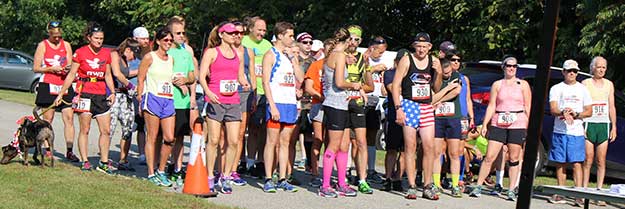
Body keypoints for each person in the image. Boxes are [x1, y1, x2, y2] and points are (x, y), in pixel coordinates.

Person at [53, 22, 116, 173]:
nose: (99, 41)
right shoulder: (80, 53)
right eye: (96, 38)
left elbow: (108, 74)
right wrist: (62, 93)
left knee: (106, 130)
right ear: (89, 38)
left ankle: (104, 162)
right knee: (85, 129)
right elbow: (72, 74)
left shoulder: (106, 53)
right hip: (85, 93)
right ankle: (85, 160)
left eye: (101, 38)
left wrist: (112, 92)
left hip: (101, 93)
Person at [468, 57, 531, 201]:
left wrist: (527, 126)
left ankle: (512, 188)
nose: (511, 68)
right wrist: (485, 124)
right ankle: (478, 185)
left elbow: (528, 106)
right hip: (499, 121)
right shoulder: (497, 84)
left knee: (514, 158)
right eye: (509, 66)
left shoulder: (523, 85)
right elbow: (491, 105)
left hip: (517, 122)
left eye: (514, 66)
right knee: (490, 155)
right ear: (503, 67)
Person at [199, 22, 251, 194]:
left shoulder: (239, 53)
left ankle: (226, 176)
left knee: (234, 140)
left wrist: (245, 82)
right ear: (222, 35)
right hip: (215, 100)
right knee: (213, 140)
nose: (234, 35)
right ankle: (209, 177)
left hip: (234, 100)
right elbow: (201, 75)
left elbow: (240, 75)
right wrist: (208, 93)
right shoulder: (212, 52)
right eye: (231, 33)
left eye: (236, 33)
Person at [391, 32, 442, 200]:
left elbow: (436, 87)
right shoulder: (407, 60)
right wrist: (398, 108)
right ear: (414, 46)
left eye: (424, 46)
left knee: (429, 147)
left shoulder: (433, 61)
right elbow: (396, 84)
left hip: (426, 106)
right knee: (410, 146)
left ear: (430, 47)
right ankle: (412, 185)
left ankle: (427, 185)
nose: (421, 49)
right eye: (418, 46)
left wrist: (439, 72)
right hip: (409, 105)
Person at [260, 22, 304, 193]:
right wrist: (272, 106)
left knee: (286, 142)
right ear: (280, 36)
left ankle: (283, 177)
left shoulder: (290, 55)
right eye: (290, 36)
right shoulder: (270, 54)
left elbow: (301, 77)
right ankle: (268, 178)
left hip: (290, 103)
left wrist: (293, 59)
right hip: (276, 102)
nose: (292, 39)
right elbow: (265, 81)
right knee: (272, 141)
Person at [547, 59, 593, 206]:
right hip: (560, 131)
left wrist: (576, 114)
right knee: (560, 163)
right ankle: (560, 192)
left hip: (576, 132)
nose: (572, 73)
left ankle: (578, 194)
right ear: (563, 72)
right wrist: (563, 112)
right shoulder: (556, 88)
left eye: (574, 71)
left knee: (577, 163)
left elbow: (589, 111)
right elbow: (553, 108)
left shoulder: (583, 89)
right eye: (569, 71)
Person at [318, 27, 357, 198]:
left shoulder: (333, 54)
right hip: (335, 104)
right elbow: (340, 82)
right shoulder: (339, 55)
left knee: (343, 145)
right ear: (348, 41)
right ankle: (325, 185)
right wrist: (353, 85)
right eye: (353, 41)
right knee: (333, 145)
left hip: (342, 104)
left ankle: (341, 183)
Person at [32, 21, 79, 162]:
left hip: (64, 84)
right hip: (48, 84)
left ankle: (69, 150)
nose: (57, 39)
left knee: (69, 118)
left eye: (59, 36)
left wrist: (67, 69)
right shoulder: (43, 45)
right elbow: (36, 67)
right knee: (48, 119)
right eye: (54, 36)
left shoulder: (66, 45)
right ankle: (47, 149)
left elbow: (71, 65)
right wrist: (51, 68)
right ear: (49, 34)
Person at [136, 28, 177, 187]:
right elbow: (140, 79)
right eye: (165, 40)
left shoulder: (171, 59)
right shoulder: (149, 57)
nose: (168, 43)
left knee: (169, 137)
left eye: (170, 41)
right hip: (152, 97)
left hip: (168, 99)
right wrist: (140, 98)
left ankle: (161, 170)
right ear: (158, 41)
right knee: (152, 136)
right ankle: (151, 172)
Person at [165, 17, 196, 186]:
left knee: (179, 138)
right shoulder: (166, 53)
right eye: (178, 33)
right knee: (166, 137)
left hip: (182, 103)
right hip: (168, 100)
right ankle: (161, 166)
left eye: (183, 33)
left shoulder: (186, 52)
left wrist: (185, 80)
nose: (182, 36)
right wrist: (177, 81)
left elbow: (192, 75)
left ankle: (177, 168)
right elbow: (163, 73)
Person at [344, 25, 375, 194]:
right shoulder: (339, 56)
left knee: (361, 142)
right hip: (341, 103)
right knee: (342, 144)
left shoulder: (362, 58)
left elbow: (370, 87)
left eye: (357, 39)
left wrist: (368, 68)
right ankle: (341, 177)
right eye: (351, 38)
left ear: (360, 41)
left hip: (357, 103)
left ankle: (362, 179)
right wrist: (351, 86)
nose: (353, 42)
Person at [582, 56, 616, 206]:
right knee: (588, 159)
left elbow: (612, 106)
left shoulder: (609, 84)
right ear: (593, 68)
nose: (601, 70)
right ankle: (583, 191)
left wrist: (614, 126)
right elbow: (581, 104)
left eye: (603, 67)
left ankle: (599, 192)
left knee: (601, 160)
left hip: (603, 124)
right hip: (589, 123)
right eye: (598, 67)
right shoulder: (586, 83)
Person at [241, 16, 273, 178]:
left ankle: (258, 162)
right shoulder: (243, 41)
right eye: (259, 29)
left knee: (261, 129)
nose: (262, 33)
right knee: (244, 129)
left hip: (264, 91)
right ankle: (245, 161)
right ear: (250, 28)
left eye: (264, 30)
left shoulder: (268, 45)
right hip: (247, 91)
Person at [303, 38, 333, 187]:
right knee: (318, 139)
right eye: (327, 50)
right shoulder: (316, 65)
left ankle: (328, 175)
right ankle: (314, 173)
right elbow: (308, 87)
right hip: (319, 105)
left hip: (335, 106)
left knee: (331, 142)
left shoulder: (340, 66)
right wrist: (321, 97)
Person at [363, 36, 392, 185]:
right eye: (379, 51)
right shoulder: (364, 59)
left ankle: (371, 170)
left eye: (383, 51)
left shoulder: (384, 63)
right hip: (363, 100)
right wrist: (373, 68)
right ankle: (353, 169)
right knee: (358, 138)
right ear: (372, 47)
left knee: (372, 137)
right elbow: (358, 77)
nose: (381, 54)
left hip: (376, 102)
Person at [109, 38, 140, 171]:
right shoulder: (114, 55)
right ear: (128, 50)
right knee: (109, 128)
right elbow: (117, 74)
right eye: (134, 54)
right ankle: (104, 159)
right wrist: (132, 86)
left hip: (125, 96)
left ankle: (123, 159)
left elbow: (126, 74)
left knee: (128, 128)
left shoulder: (125, 60)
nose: (133, 58)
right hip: (114, 94)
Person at [382, 49, 409, 192]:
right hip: (393, 115)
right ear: (397, 61)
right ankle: (387, 178)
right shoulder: (390, 73)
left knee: (405, 150)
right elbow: (392, 88)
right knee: (392, 149)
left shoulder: (411, 75)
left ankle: (398, 178)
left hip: (409, 115)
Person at [132, 26, 150, 164]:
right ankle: (141, 152)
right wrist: (140, 71)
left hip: (148, 91)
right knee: (138, 124)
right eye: (143, 38)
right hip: (132, 91)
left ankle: (147, 152)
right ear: (135, 39)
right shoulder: (130, 54)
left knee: (146, 124)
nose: (146, 41)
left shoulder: (151, 53)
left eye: (147, 38)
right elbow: (125, 72)